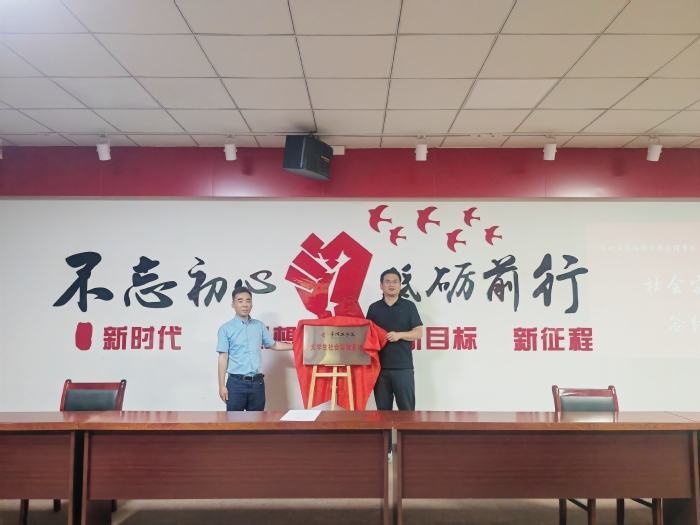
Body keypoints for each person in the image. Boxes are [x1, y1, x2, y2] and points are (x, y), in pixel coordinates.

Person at [365, 268, 423, 460]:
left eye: (395, 281)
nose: (391, 284)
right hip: (379, 368)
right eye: (388, 281)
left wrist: (400, 335)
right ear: (381, 286)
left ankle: (409, 449)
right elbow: (367, 335)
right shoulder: (374, 308)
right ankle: (387, 449)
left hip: (403, 367)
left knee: (407, 410)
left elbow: (418, 333)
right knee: (383, 411)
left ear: (400, 285)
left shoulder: (408, 306)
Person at [217, 286, 292, 411]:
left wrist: (296, 346)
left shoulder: (259, 326)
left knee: (257, 421)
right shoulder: (226, 329)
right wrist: (221, 386)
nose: (245, 304)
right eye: (240, 301)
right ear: (233, 304)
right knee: (234, 421)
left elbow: (273, 345)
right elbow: (223, 358)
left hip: (257, 384)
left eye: (248, 301)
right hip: (236, 384)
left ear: (251, 304)